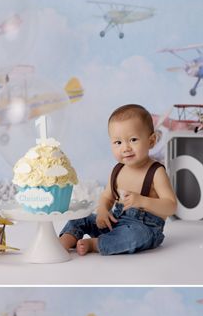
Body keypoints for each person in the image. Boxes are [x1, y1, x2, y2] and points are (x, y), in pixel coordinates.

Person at [59, 104, 177, 255]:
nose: (125, 148)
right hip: (115, 222)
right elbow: (107, 197)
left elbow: (171, 206)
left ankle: (96, 244)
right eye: (118, 142)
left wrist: (143, 201)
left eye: (133, 140)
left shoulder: (156, 172)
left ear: (151, 141)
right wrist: (102, 210)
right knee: (82, 218)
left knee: (135, 236)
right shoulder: (118, 170)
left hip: (144, 227)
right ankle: (66, 241)